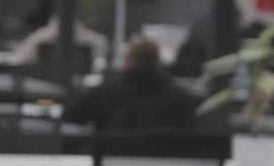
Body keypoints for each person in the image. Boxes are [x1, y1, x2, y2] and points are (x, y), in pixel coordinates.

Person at [62, 36, 198, 131]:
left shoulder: (102, 94)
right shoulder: (183, 100)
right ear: (159, 63)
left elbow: (69, 120)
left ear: (127, 61)